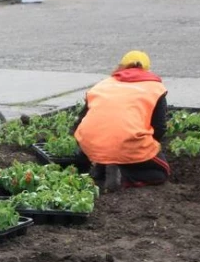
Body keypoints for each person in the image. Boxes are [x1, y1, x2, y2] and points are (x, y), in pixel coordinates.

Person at [72, 50, 171, 192]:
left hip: (91, 144)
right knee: (161, 172)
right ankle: (124, 175)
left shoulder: (102, 85)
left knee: (108, 145)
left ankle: (101, 167)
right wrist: (146, 148)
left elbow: (81, 121)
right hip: (125, 143)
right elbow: (159, 128)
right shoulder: (155, 88)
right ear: (147, 70)